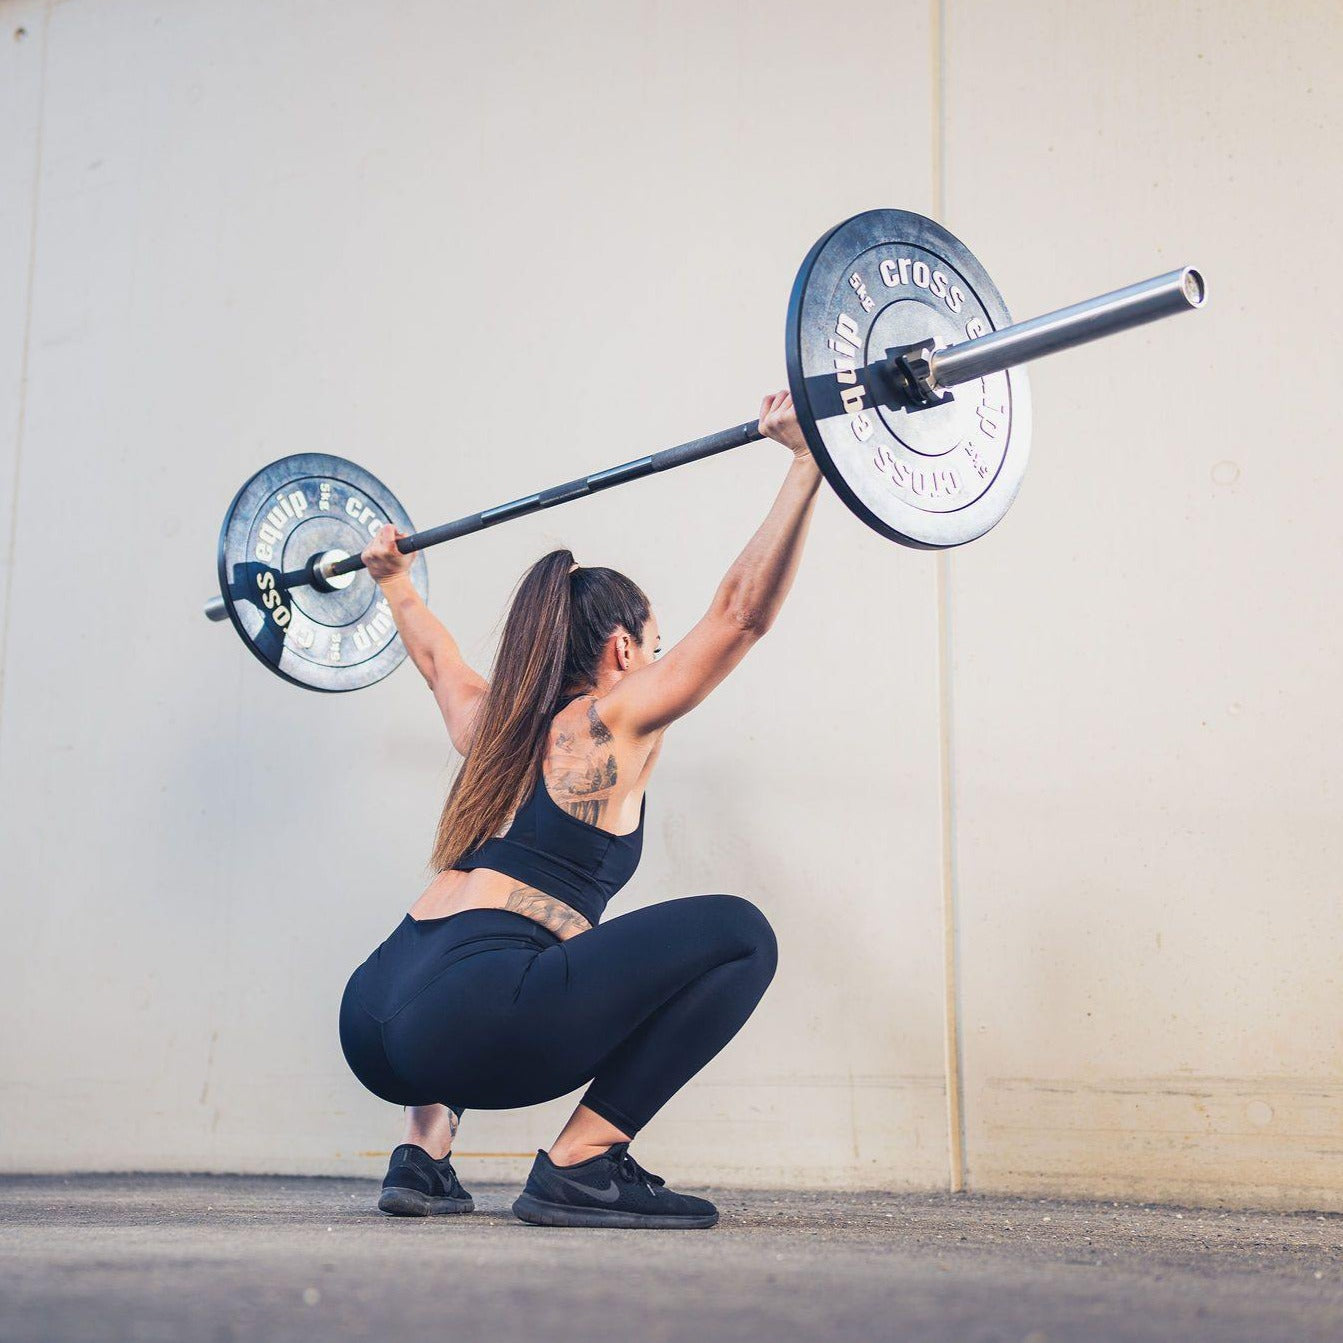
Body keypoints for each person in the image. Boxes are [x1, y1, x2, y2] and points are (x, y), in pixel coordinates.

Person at [338, 390, 821, 1229]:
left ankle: (422, 1152)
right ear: (623, 648)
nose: (660, 665)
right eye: (656, 648)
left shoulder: (488, 726)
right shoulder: (609, 721)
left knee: (495, 953)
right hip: (464, 1017)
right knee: (742, 933)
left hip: (372, 1016)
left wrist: (393, 580)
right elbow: (739, 617)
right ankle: (581, 1164)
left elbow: (436, 656)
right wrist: (805, 463)